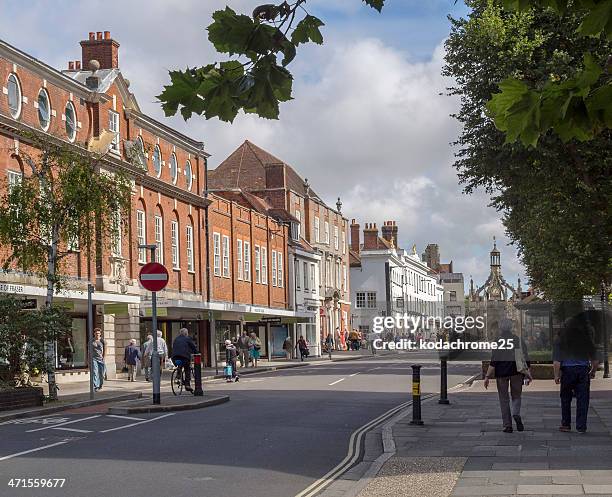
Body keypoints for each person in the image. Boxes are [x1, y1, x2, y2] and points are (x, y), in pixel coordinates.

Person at [554, 311, 600, 433]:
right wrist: (593, 371)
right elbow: (595, 360)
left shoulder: (561, 340)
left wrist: (556, 375)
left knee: (565, 398)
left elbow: (557, 361)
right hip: (582, 371)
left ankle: (566, 424)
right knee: (583, 399)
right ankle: (581, 426)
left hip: (568, 371)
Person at [484, 318, 532, 433]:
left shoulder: (498, 341)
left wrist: (487, 376)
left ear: (500, 328)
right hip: (516, 372)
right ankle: (516, 413)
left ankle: (507, 425)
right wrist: (528, 373)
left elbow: (494, 361)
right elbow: (526, 358)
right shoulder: (518, 340)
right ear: (511, 327)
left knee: (503, 399)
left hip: (501, 374)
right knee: (516, 396)